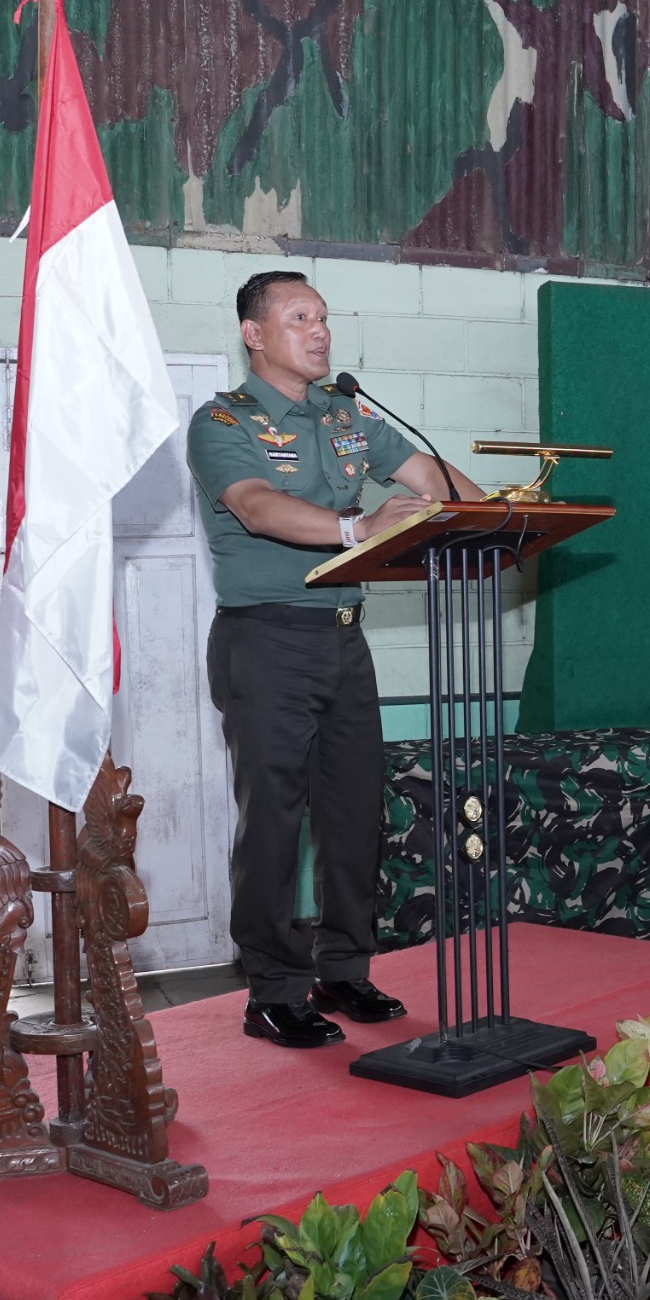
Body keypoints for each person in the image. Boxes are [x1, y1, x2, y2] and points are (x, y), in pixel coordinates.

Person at [188, 271, 486, 1049]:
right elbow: (256, 506)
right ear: (254, 334)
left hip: (344, 638)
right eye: (299, 319)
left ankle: (343, 970)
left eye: (323, 318)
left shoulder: (347, 412)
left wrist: (502, 514)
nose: (319, 332)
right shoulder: (223, 421)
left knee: (355, 816)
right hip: (267, 640)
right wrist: (359, 528)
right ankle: (272, 991)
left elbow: (428, 477)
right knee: (274, 825)